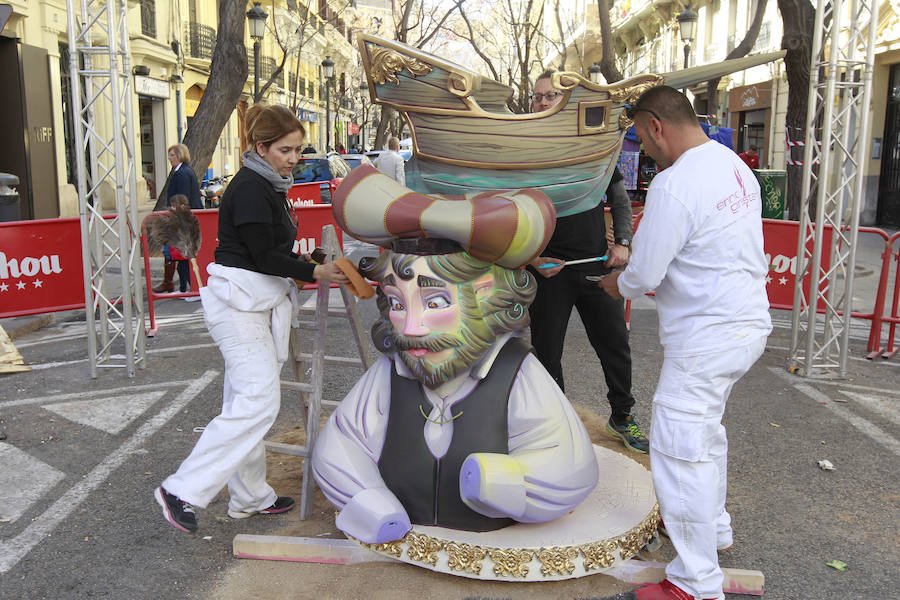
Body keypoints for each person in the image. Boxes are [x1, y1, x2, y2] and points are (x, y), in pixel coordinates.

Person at [311, 165, 598, 544]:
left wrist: (505, 483)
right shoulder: (392, 373)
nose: (410, 327)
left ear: (483, 293)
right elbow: (341, 444)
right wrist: (367, 498)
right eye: (397, 303)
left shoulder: (515, 373)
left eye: (435, 301)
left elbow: (571, 465)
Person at [597, 86, 772, 600]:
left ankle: (695, 583)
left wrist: (618, 283)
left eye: (640, 140)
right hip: (745, 323)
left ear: (655, 126)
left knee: (679, 445)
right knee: (704, 433)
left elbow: (644, 269)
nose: (644, 152)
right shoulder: (733, 164)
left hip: (707, 333)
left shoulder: (675, 184)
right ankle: (711, 529)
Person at [154, 104, 351, 533]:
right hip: (240, 305)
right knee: (257, 402)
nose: (295, 158)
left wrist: (306, 261)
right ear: (260, 148)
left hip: (253, 301)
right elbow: (263, 256)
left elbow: (268, 252)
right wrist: (315, 270)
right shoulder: (249, 187)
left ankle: (248, 497)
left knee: (242, 403)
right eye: (286, 150)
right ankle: (182, 489)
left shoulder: (268, 183)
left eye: (298, 150)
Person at [526, 69, 648, 453]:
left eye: (550, 96)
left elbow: (620, 200)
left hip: (597, 264)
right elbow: (509, 215)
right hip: (549, 271)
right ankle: (556, 424)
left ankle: (623, 417)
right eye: (538, 96)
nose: (543, 102)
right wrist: (531, 258)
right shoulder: (524, 151)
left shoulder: (593, 147)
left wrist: (624, 243)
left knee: (615, 346)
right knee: (546, 353)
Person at [153, 144, 203, 294]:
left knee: (179, 253)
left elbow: (182, 197)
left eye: (172, 155)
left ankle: (186, 286)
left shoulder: (182, 173)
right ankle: (179, 285)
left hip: (183, 218)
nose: (169, 158)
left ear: (180, 156)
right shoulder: (183, 171)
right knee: (177, 252)